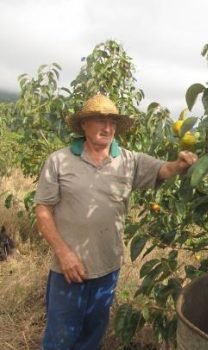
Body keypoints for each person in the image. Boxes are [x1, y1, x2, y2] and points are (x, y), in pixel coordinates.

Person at [34, 94, 198, 350]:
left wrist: (180, 164)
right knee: (60, 337)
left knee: (92, 335)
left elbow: (162, 170)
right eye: (100, 121)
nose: (107, 128)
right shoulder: (60, 161)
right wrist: (63, 252)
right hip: (68, 269)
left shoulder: (129, 161)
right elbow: (43, 210)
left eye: (112, 122)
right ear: (84, 125)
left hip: (107, 269)